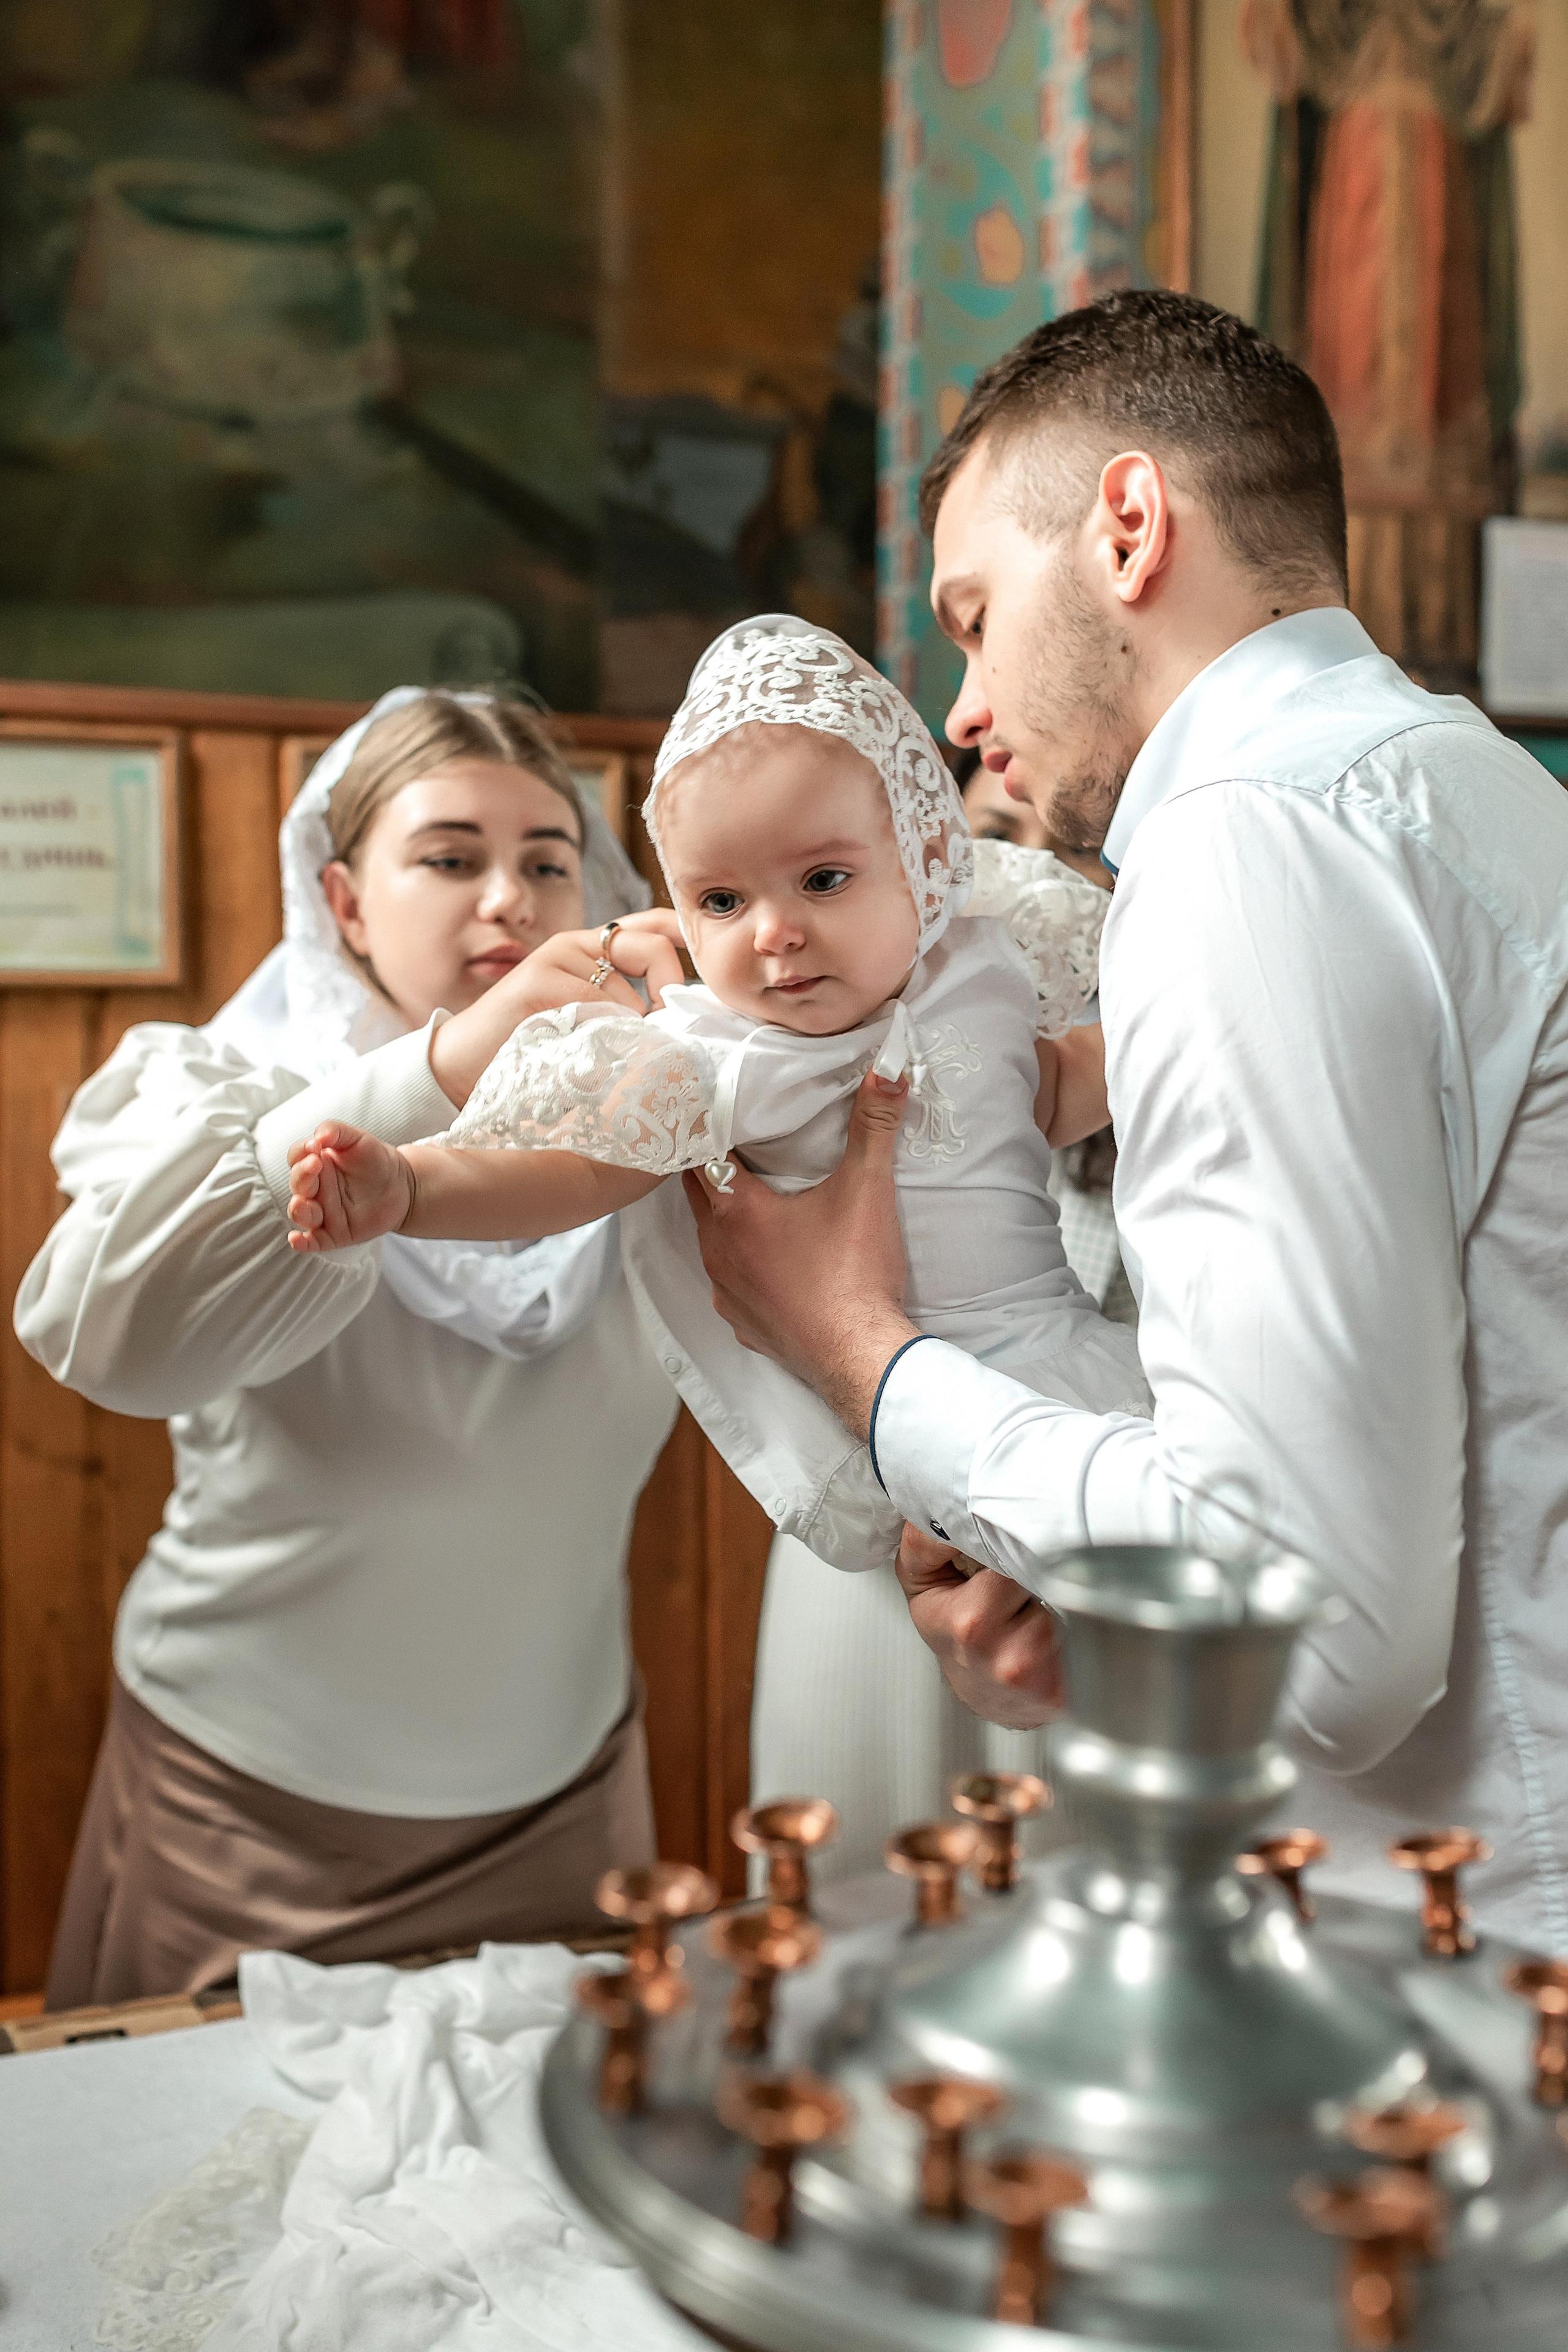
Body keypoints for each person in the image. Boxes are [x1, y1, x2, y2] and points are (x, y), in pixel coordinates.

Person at [680, 290, 1568, 1952]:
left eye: (972, 611)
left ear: (1131, 526)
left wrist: (868, 1367)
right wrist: (1107, 1608)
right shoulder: (1476, 790)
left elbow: (1324, 1633)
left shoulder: (1251, 844)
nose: (957, 707)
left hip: (1476, 1948)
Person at [17, 687, 687, 2007]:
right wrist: (439, 1068)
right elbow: (113, 1344)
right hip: (251, 1811)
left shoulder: (650, 1119)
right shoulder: (210, 1091)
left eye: (548, 864)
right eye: (449, 858)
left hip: (561, 1799)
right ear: (342, 903)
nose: (509, 900)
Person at [287, 618, 1146, 1583]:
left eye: (823, 880)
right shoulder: (727, 1056)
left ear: (927, 854)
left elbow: (1061, 1087)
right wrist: (410, 1186)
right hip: (903, 1397)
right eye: (723, 902)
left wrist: (1179, 1033)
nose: (775, 934)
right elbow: (576, 1170)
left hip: (1065, 1355)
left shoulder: (979, 963)